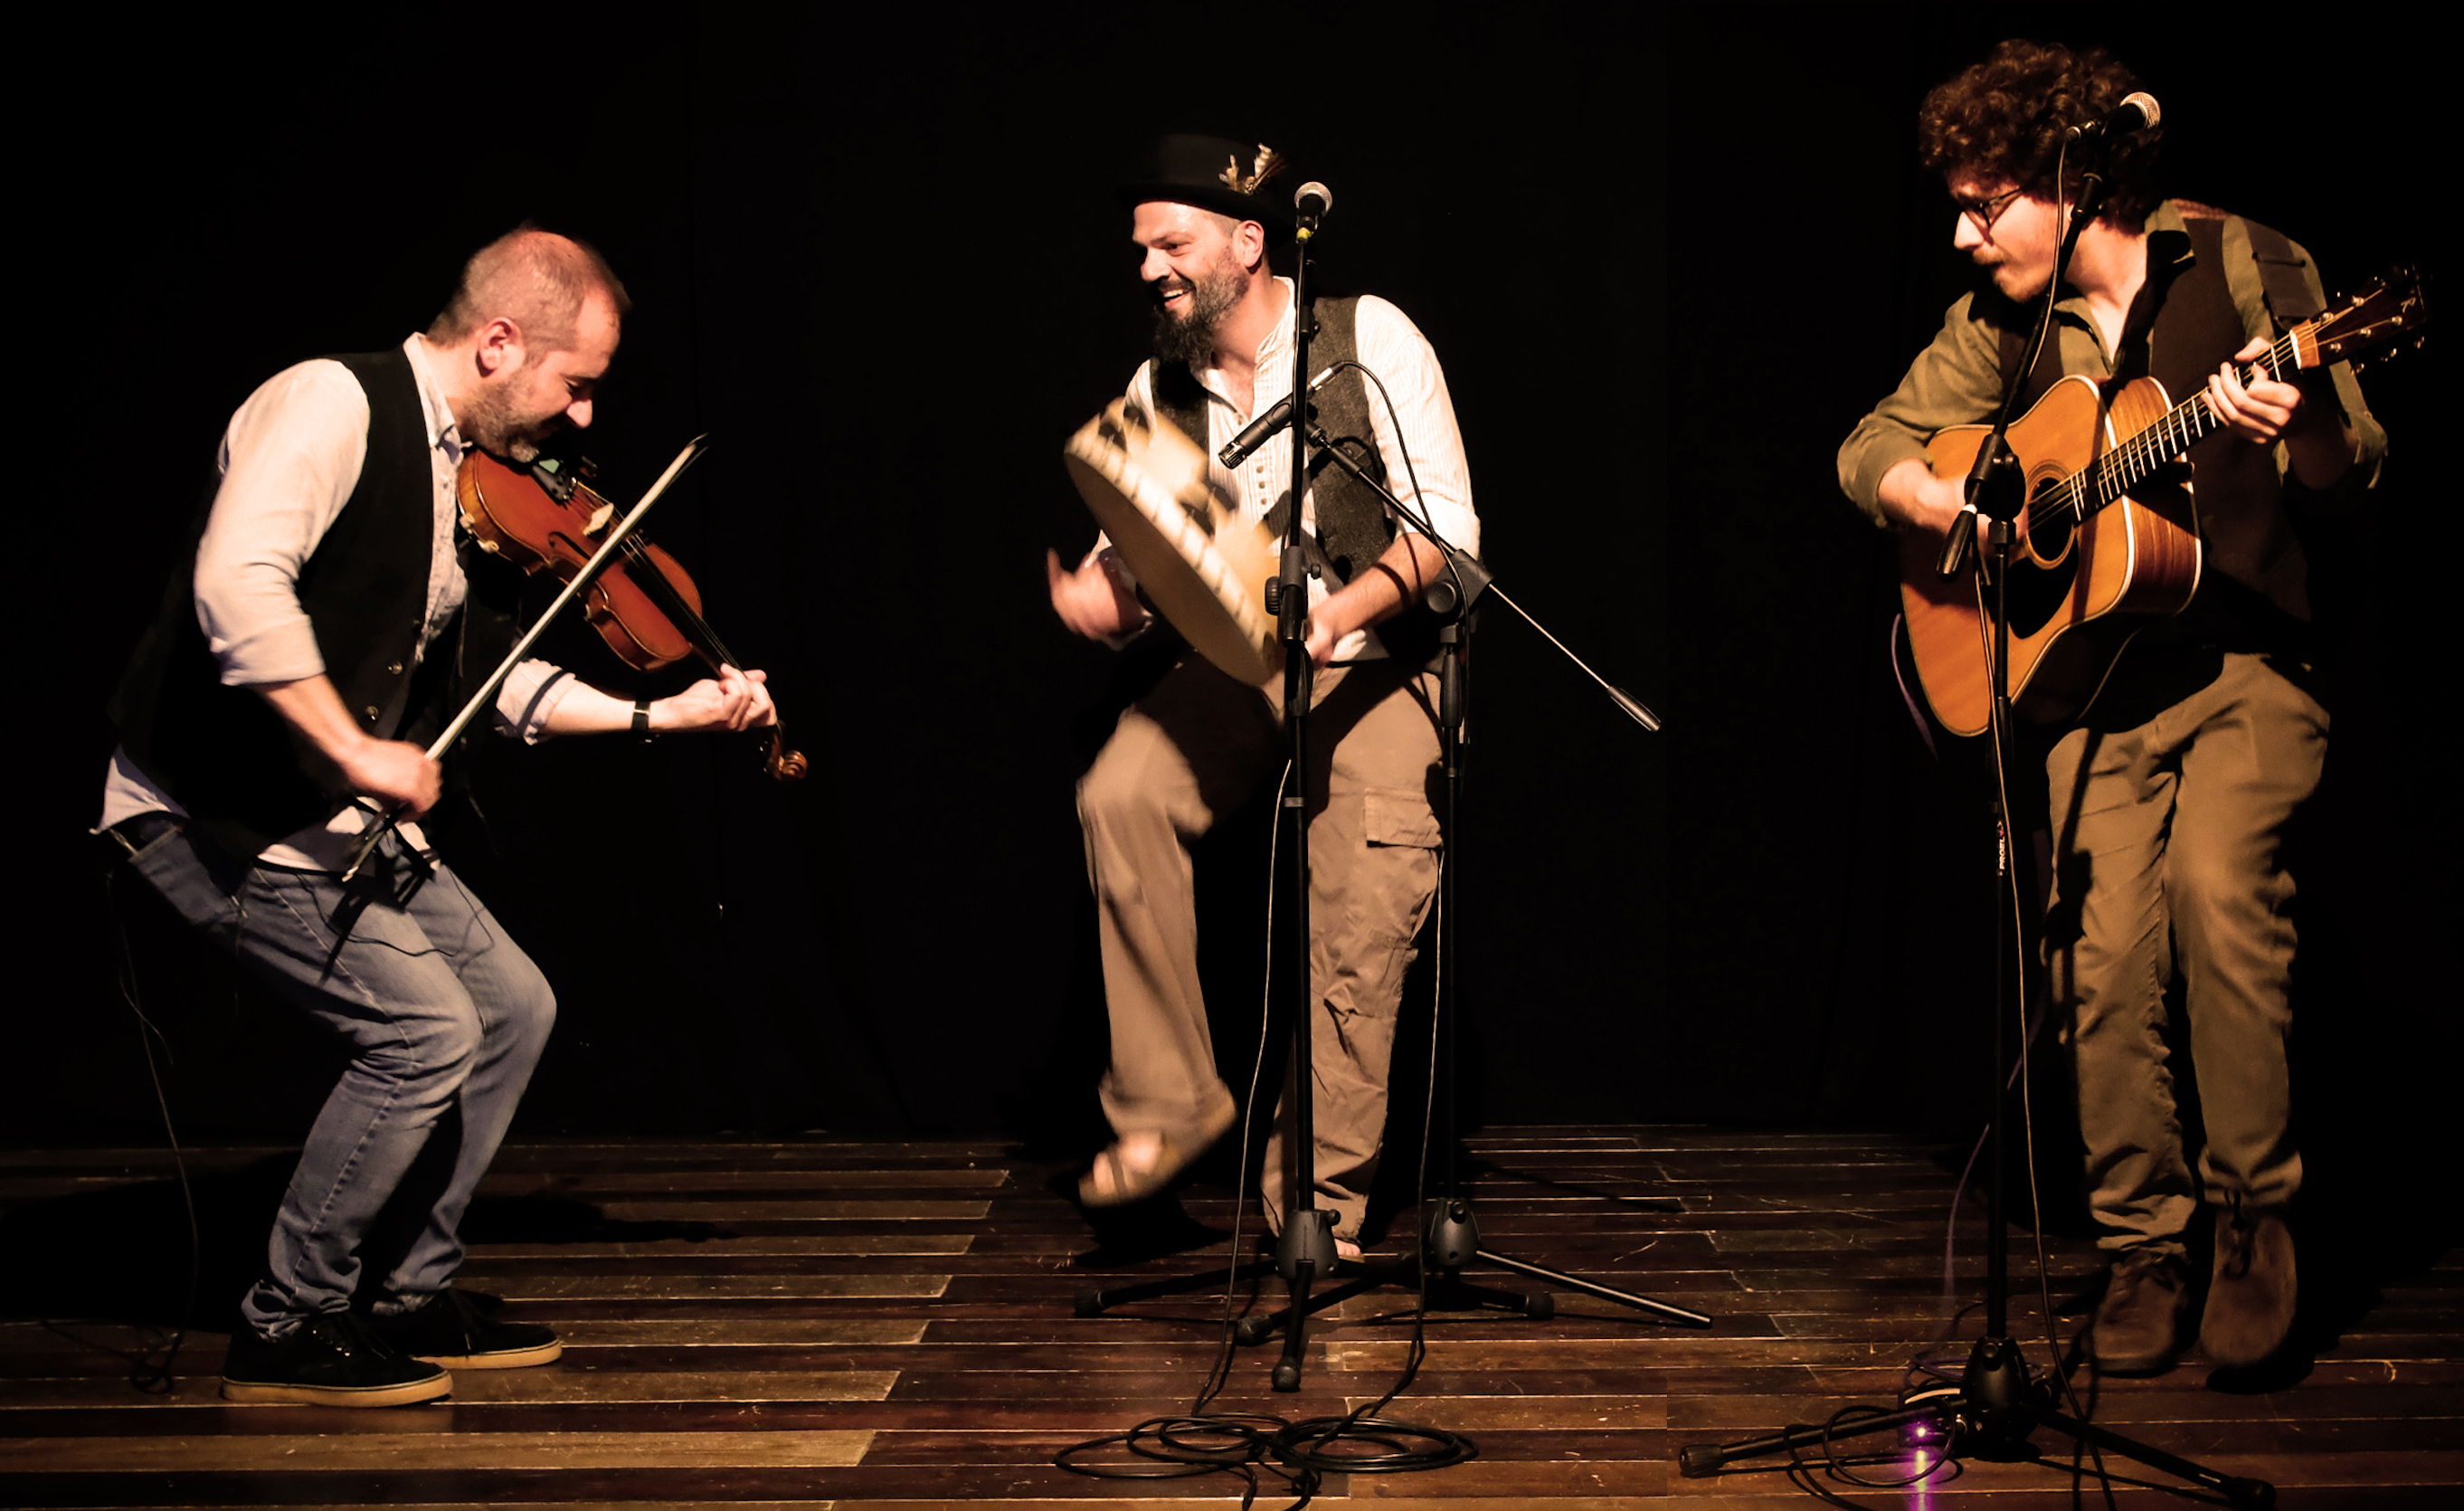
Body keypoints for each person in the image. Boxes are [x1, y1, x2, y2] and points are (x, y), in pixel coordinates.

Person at [100, 228, 779, 1406]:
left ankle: (406, 1289)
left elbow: (481, 687)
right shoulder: (329, 403)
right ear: (501, 340)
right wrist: (359, 747)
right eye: (574, 384)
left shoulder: (463, 479)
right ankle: (290, 1316)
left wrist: (667, 715)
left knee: (513, 1008)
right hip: (213, 811)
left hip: (328, 813)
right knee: (422, 1033)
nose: (580, 419)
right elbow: (237, 584)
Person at [1839, 43, 2384, 1374]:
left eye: (1987, 206)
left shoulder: (2245, 262)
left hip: (2246, 662)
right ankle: (2144, 1245)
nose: (1966, 238)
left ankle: (2257, 1222)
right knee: (2097, 957)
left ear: (2071, 189)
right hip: (2092, 684)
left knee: (2216, 895)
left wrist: (2293, 413)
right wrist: (1948, 501)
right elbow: (1869, 450)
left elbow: (2350, 464)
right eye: (1959, 209)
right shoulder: (2003, 334)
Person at [1046, 135, 1478, 1259]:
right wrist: (1106, 600)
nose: (1149, 268)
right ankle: (1170, 1098)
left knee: (1356, 920)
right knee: (1122, 793)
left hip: (1379, 663)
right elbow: (1135, 563)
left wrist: (1349, 612)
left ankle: (1315, 1216)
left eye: (1172, 244)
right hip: (1244, 668)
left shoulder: (1366, 338)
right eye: (1141, 249)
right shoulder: (1159, 386)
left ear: (1249, 241)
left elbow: (1450, 528)